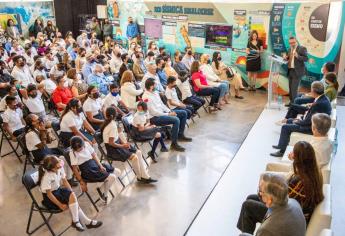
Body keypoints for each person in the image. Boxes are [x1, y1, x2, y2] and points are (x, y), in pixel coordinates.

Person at [38, 155, 102, 232]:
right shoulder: (47, 177)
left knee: (72, 197)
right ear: (51, 169)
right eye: (57, 167)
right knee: (73, 202)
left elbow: (65, 181)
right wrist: (60, 205)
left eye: (59, 163)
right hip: (50, 198)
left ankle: (76, 221)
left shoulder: (59, 167)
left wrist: (71, 193)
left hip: (58, 191)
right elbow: (49, 194)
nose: (60, 167)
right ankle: (86, 222)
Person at [271, 81, 332, 157]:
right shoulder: (323, 98)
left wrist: (296, 121)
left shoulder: (319, 103)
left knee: (285, 127)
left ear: (313, 90)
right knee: (291, 118)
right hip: (314, 124)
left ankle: (282, 150)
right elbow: (310, 116)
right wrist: (298, 119)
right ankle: (282, 143)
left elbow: (307, 122)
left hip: (312, 128)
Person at [237, 173, 306, 236]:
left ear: (269, 200)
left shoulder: (266, 230)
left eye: (261, 191)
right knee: (251, 198)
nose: (259, 194)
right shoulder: (293, 202)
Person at [102, 106, 157, 183]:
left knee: (138, 152)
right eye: (116, 112)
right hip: (113, 149)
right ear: (113, 115)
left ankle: (144, 176)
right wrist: (123, 146)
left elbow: (117, 136)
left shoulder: (111, 123)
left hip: (117, 144)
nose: (118, 113)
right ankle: (140, 177)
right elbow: (111, 143)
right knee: (135, 157)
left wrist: (124, 143)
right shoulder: (111, 125)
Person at [267, 113, 333, 172]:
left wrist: (294, 158)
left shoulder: (314, 148)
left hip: (298, 176)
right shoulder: (329, 143)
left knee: (269, 166)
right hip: (306, 172)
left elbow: (305, 168)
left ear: (314, 129)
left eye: (312, 124)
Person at [143, 78, 192, 152]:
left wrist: (170, 111)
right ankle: (174, 144)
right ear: (151, 86)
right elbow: (154, 112)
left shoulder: (155, 92)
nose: (157, 86)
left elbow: (162, 105)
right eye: (155, 85)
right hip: (155, 118)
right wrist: (168, 114)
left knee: (183, 113)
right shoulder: (146, 97)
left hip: (162, 113)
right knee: (176, 120)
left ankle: (180, 135)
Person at [70, 136, 117, 204]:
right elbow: (74, 168)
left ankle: (102, 191)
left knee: (117, 172)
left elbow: (94, 155)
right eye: (78, 149)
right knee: (112, 177)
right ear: (74, 149)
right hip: (87, 170)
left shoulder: (86, 144)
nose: (80, 150)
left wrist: (100, 165)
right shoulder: (72, 153)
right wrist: (81, 182)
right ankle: (105, 195)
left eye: (81, 148)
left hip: (94, 164)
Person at [284, 36, 308, 106]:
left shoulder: (302, 48)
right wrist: (286, 58)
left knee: (294, 89)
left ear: (296, 41)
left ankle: (294, 105)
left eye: (293, 42)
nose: (292, 44)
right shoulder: (289, 49)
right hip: (290, 70)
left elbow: (306, 59)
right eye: (290, 43)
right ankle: (291, 102)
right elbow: (289, 58)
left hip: (297, 72)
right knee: (290, 88)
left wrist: (298, 56)